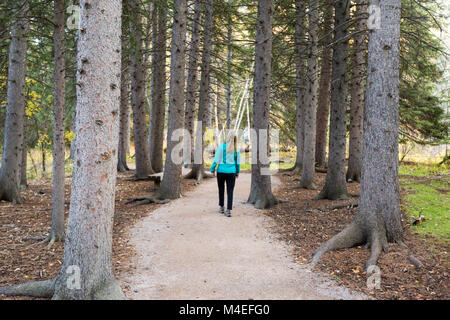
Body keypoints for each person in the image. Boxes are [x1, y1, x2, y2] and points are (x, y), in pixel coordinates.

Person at [210, 133, 240, 217]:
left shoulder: (221, 147)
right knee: (230, 191)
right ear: (235, 139)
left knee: (221, 189)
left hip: (221, 172)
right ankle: (228, 210)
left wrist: (212, 169)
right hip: (232, 172)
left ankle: (221, 207)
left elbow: (216, 160)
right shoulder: (236, 149)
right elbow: (238, 163)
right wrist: (237, 172)